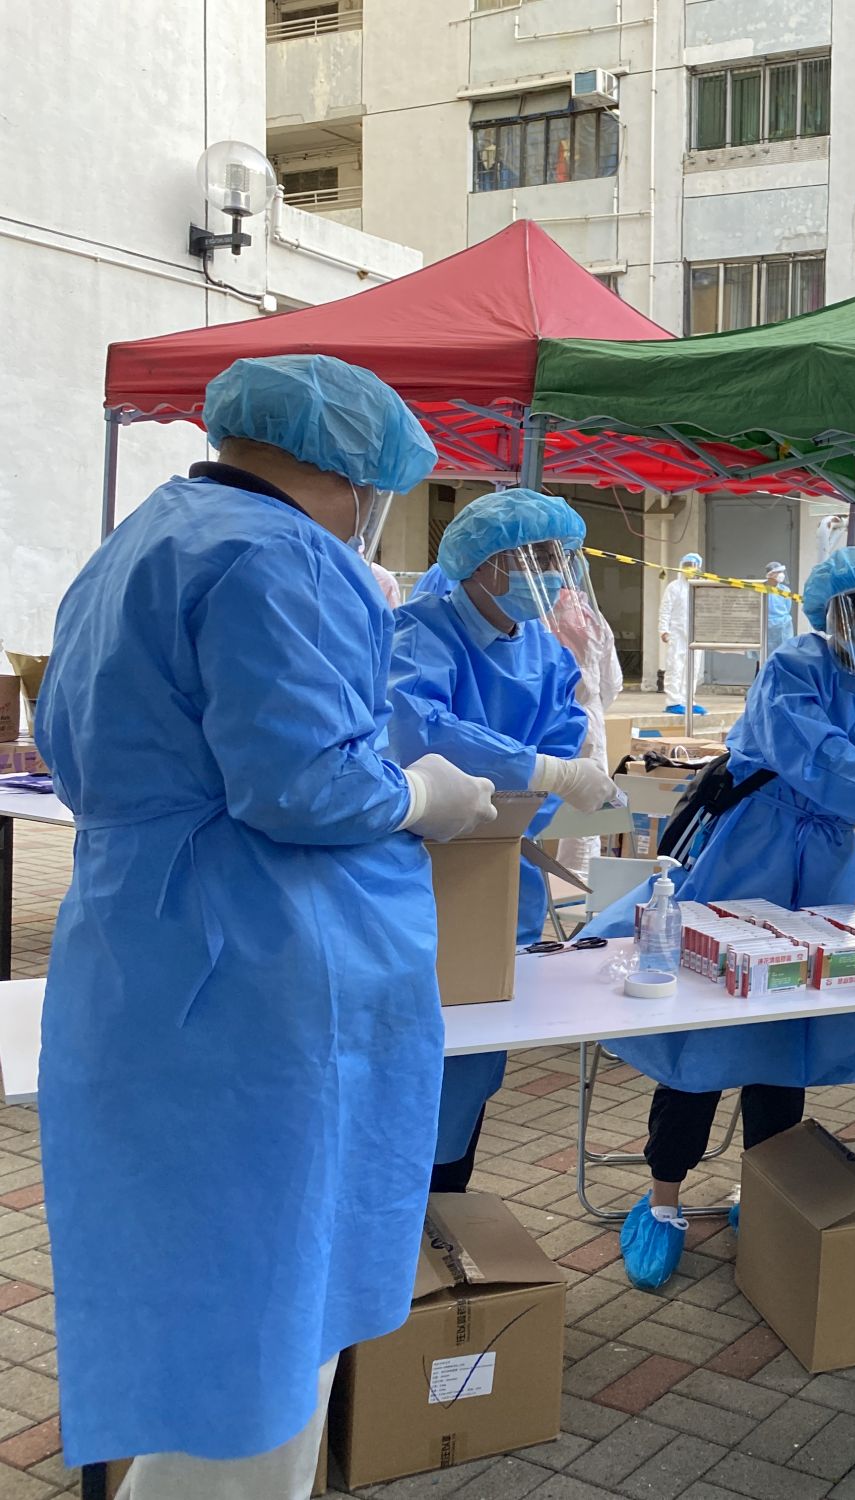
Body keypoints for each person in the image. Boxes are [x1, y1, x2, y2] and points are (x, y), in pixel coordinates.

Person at [34, 354, 498, 1498]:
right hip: (255, 963)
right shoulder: (279, 557)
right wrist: (419, 796)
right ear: (352, 470)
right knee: (272, 1306)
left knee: (190, 1269)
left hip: (141, 945)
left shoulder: (144, 538)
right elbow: (301, 782)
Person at [597, 547, 855, 1289]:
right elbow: (824, 756)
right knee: (705, 1029)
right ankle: (661, 1200)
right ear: (836, 611)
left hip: (823, 868)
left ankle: (765, 1189)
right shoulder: (793, 668)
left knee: (787, 1028)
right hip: (749, 851)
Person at [389, 488, 617, 1192]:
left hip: (498, 870)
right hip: (409, 867)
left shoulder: (544, 651)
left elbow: (561, 739)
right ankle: (392, 1210)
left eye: (557, 559)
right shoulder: (418, 633)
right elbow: (416, 728)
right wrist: (536, 771)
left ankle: (446, 1209)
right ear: (482, 562)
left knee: (476, 1044)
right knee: (404, 1047)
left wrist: (520, 806)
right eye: (535, 558)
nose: (549, 574)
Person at [548, 559, 627, 879]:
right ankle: (576, 891)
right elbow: (612, 682)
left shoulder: (530, 620)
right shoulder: (591, 618)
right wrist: (590, 704)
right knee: (584, 815)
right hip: (586, 721)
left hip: (539, 725)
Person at [658, 550, 706, 713]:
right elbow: (665, 609)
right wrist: (663, 630)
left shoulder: (701, 587)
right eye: (687, 565)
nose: (690, 568)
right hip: (677, 634)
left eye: (693, 565)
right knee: (675, 667)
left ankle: (688, 701)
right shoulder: (674, 587)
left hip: (696, 635)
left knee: (693, 669)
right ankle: (673, 702)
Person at [764, 560, 794, 653]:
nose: (781, 575)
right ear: (771, 574)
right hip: (766, 626)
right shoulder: (761, 589)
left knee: (784, 652)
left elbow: (788, 608)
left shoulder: (785, 590)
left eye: (781, 572)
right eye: (778, 572)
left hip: (783, 625)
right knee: (765, 654)